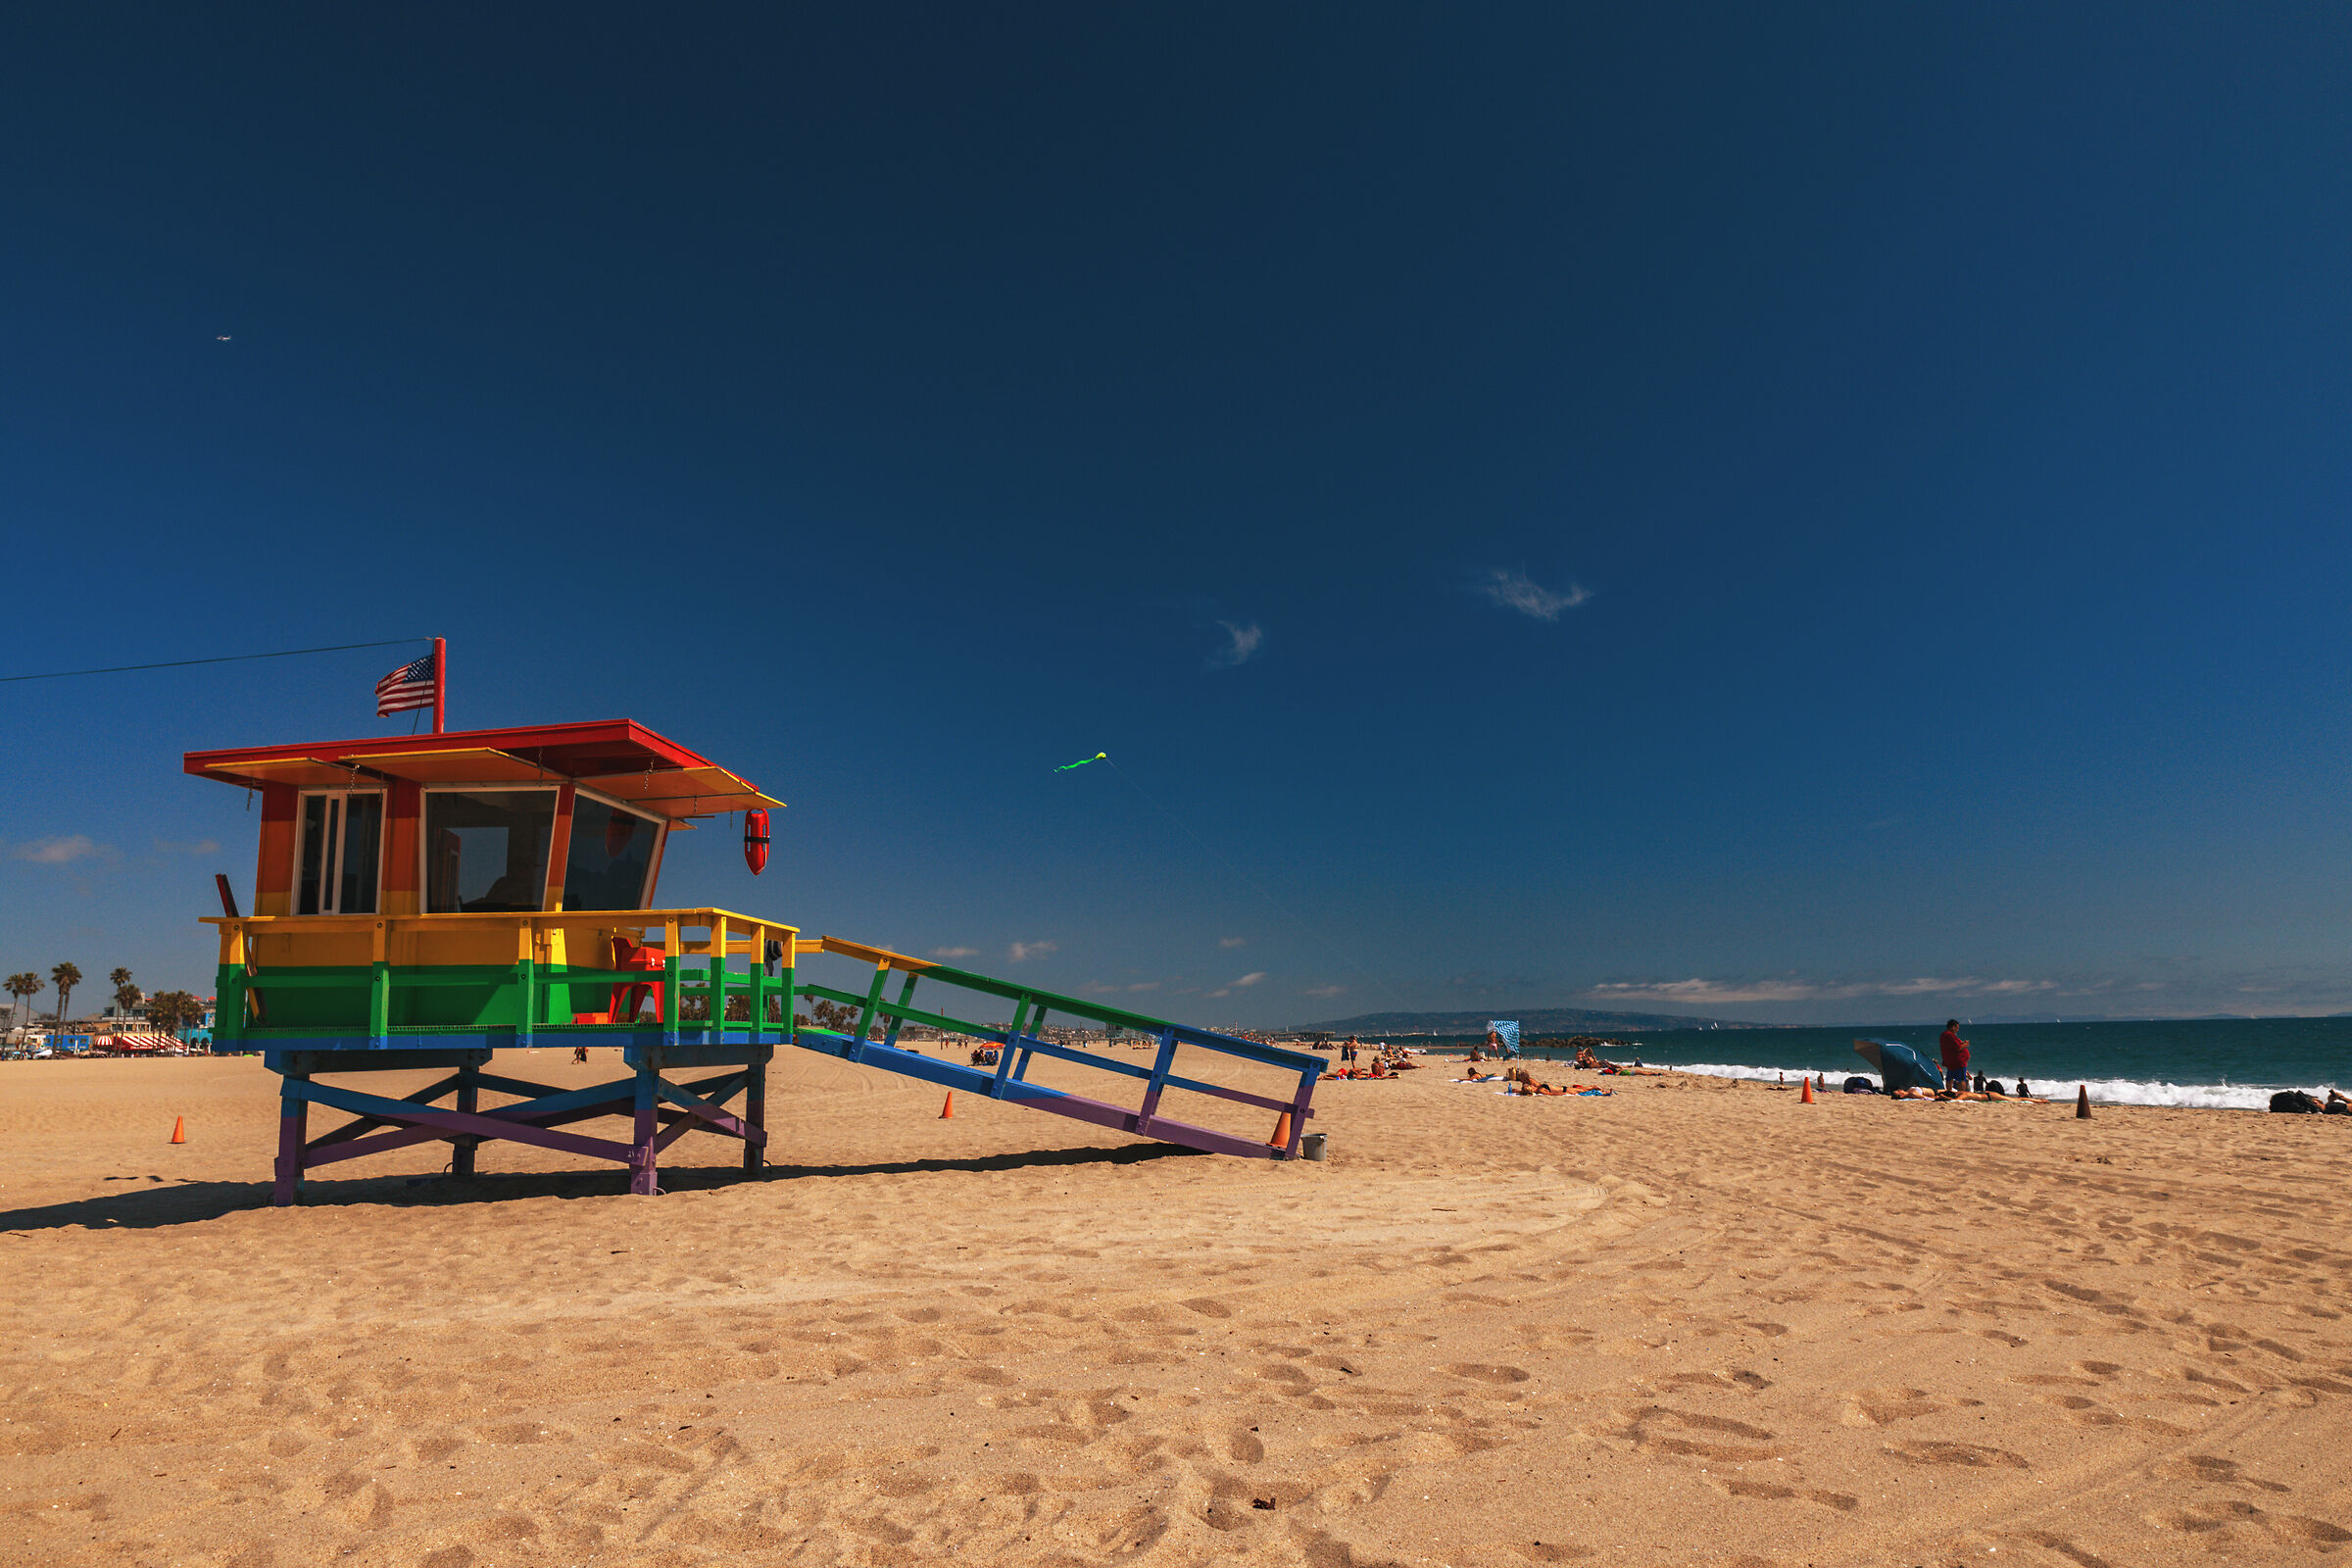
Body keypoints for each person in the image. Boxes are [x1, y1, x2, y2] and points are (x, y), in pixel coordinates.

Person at [1937, 1019, 1971, 1093]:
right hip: (1958, 1062)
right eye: (1957, 1028)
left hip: (1950, 1061)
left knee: (1950, 1078)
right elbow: (1958, 1047)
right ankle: (1961, 1093)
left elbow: (1953, 1046)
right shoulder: (1950, 1035)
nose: (1957, 1030)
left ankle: (1949, 1092)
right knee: (1961, 1079)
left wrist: (1961, 1043)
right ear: (1953, 1027)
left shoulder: (1944, 1035)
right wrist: (1966, 1044)